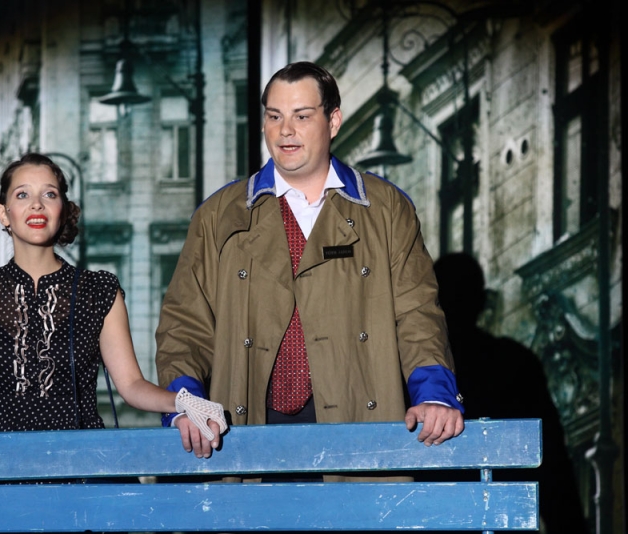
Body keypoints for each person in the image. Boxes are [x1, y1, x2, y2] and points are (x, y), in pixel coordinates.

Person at [155, 61, 465, 466]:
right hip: (242, 433)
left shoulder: (386, 209)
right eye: (274, 117)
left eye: (301, 116)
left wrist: (435, 395)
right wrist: (184, 404)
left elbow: (417, 313)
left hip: (355, 425)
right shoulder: (218, 215)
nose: (286, 130)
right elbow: (185, 325)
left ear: (333, 121)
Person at [0, 153, 226, 458]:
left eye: (49, 194)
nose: (37, 204)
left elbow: (132, 385)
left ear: (63, 210)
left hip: (81, 462)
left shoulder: (99, 291)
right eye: (22, 194)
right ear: (4, 213)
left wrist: (181, 402)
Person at [433, 252, 588, 533]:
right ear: (482, 302)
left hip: (431, 518)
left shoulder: (413, 374)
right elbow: (552, 465)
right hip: (501, 519)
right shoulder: (514, 364)